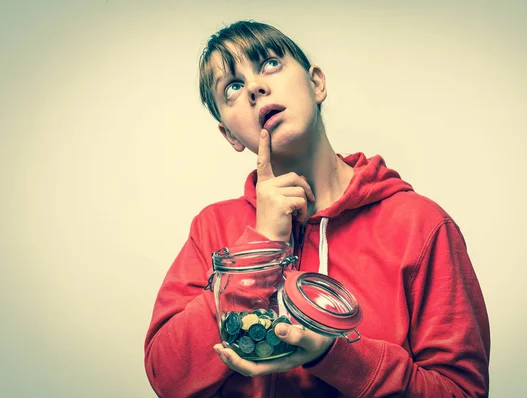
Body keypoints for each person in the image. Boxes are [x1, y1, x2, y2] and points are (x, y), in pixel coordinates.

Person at [144, 20, 490, 397]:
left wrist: (335, 356)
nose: (256, 88)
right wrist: (258, 249)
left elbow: (461, 391)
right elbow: (167, 377)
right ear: (229, 135)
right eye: (233, 87)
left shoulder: (419, 225)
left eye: (270, 63)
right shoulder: (212, 227)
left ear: (317, 83)